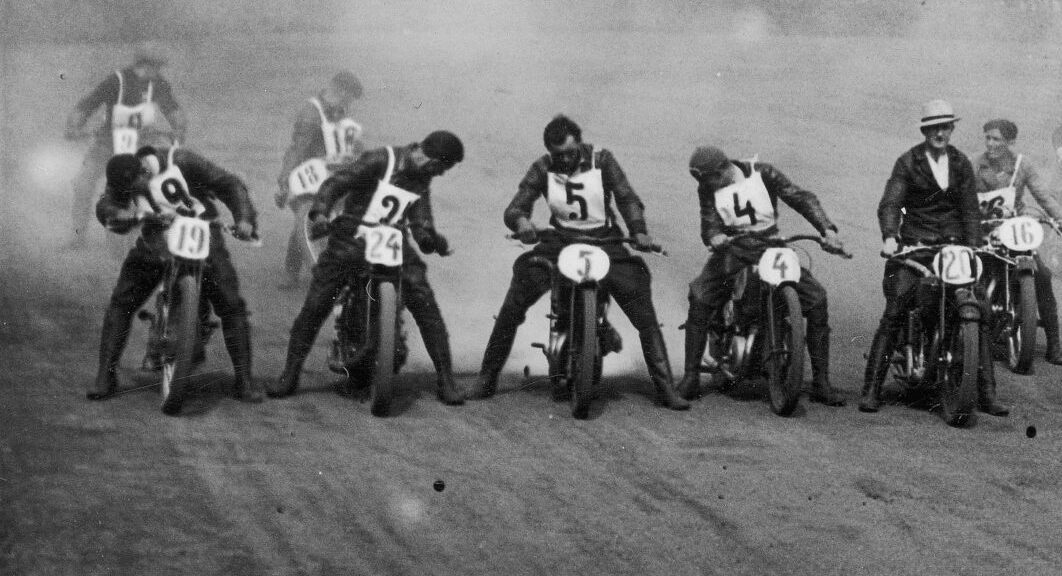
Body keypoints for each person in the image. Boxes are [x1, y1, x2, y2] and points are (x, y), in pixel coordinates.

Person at [471, 115, 684, 408]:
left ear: (580, 144)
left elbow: (626, 197)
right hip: (560, 241)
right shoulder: (542, 167)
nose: (566, 159)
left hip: (605, 241)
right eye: (558, 154)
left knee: (641, 306)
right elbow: (516, 206)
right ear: (550, 151)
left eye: (571, 152)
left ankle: (666, 388)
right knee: (517, 296)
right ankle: (486, 377)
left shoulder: (603, 160)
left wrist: (638, 230)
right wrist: (522, 223)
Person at [270, 131, 469, 403]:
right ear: (432, 158)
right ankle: (289, 374)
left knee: (424, 301)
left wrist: (429, 239)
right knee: (318, 301)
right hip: (352, 235)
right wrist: (320, 213)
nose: (442, 173)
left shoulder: (422, 178)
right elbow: (336, 183)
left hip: (392, 241)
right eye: (443, 167)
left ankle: (446, 381)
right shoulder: (382, 159)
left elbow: (420, 218)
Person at [86, 144, 263, 402]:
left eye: (136, 186)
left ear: (144, 170)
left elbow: (229, 183)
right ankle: (105, 376)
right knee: (122, 301)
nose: (133, 192)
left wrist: (244, 219)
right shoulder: (123, 173)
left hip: (202, 234)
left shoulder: (181, 160)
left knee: (231, 304)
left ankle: (244, 380)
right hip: (156, 240)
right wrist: (118, 214)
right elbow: (107, 204)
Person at [681, 144, 853, 402]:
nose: (707, 186)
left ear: (722, 170)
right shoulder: (708, 187)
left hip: (770, 245)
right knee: (700, 294)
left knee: (816, 298)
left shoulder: (764, 173)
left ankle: (821, 382)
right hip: (734, 248)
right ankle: (691, 376)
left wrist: (826, 228)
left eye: (709, 180)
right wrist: (714, 235)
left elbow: (799, 197)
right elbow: (709, 220)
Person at [861, 100, 1000, 416]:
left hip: (953, 248)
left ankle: (988, 393)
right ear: (925, 131)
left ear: (952, 129)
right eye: (934, 128)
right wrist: (890, 237)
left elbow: (970, 209)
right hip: (916, 247)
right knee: (896, 308)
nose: (940, 133)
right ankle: (871, 389)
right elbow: (891, 203)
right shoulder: (908, 162)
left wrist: (974, 246)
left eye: (945, 127)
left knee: (979, 306)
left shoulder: (960, 162)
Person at [975, 117, 1062, 366]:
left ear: (1010, 142)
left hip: (1012, 229)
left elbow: (1043, 195)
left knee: (1042, 276)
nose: (991, 144)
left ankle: (1054, 344)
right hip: (982, 230)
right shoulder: (974, 164)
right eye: (988, 138)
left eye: (997, 139)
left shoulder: (1022, 164)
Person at [64, 50, 184, 244]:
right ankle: (78, 235)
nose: (159, 71)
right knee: (83, 184)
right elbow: (88, 105)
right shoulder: (116, 81)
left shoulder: (158, 84)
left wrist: (179, 129)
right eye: (156, 67)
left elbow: (173, 110)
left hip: (141, 145)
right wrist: (74, 126)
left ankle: (152, 232)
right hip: (106, 144)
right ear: (144, 65)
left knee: (156, 184)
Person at [276, 70, 366, 290]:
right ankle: (291, 272)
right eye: (348, 97)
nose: (349, 103)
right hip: (309, 177)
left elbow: (352, 144)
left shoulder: (340, 110)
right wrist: (285, 179)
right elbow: (297, 148)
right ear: (339, 90)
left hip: (334, 174)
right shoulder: (311, 113)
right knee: (306, 218)